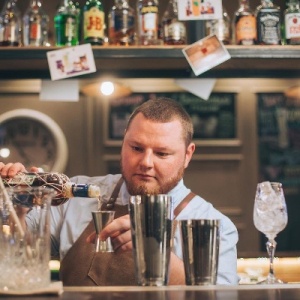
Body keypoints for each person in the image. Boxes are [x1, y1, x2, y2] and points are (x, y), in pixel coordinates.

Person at [0, 97, 239, 286]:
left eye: (162, 153)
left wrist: (156, 254)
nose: (145, 162)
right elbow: (18, 255)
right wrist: (15, 208)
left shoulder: (214, 225)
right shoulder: (76, 195)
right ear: (123, 141)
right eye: (136, 147)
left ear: (188, 154)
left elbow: (222, 297)